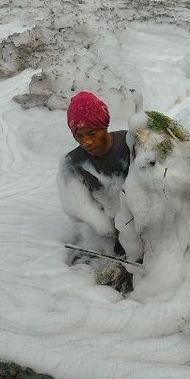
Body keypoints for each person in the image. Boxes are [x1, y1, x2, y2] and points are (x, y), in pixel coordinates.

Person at [56, 91, 135, 292]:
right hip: (105, 233)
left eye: (92, 133)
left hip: (138, 222)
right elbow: (78, 211)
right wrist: (108, 229)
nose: (86, 142)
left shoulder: (130, 144)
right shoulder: (72, 163)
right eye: (79, 136)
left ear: (104, 126)